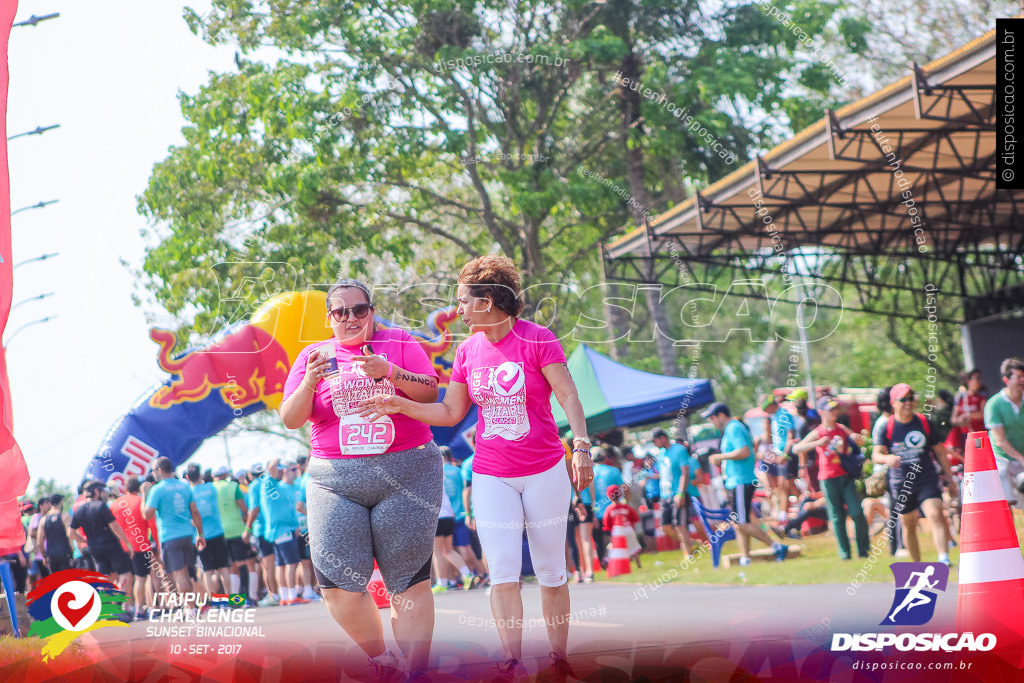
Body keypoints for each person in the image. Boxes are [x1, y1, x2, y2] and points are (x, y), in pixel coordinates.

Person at [358, 255, 593, 680]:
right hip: (490, 474)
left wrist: (581, 446)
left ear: (488, 300)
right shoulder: (467, 350)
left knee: (551, 571)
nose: (459, 310)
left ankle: (559, 658)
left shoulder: (538, 339)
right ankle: (513, 660)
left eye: (464, 301)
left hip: (545, 471)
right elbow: (449, 412)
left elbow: (569, 396)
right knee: (502, 570)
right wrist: (400, 402)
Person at [280, 277, 443, 679]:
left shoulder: (399, 341)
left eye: (359, 309)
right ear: (329, 317)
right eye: (341, 311)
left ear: (372, 311)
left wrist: (390, 371)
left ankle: (415, 673)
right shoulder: (313, 356)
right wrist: (310, 381)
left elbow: (430, 392)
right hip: (335, 480)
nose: (350, 318)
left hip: (407, 472)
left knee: (408, 581)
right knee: (336, 584)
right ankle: (382, 659)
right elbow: (290, 418)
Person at [872, 383, 958, 565]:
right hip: (901, 482)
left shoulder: (923, 422)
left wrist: (950, 477)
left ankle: (943, 558)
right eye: (903, 399)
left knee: (935, 513)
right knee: (909, 524)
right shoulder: (885, 426)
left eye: (911, 398)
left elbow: (940, 451)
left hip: (925, 476)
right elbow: (876, 454)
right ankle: (917, 564)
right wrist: (887, 459)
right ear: (893, 402)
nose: (908, 403)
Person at [705, 402, 789, 565]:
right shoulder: (730, 429)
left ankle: (777, 547)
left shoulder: (734, 428)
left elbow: (744, 451)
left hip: (741, 480)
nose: (712, 422)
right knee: (738, 523)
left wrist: (720, 457)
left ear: (721, 415)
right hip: (735, 481)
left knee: (741, 522)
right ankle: (745, 558)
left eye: (713, 418)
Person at [792, 397, 870, 560]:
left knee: (856, 512)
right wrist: (818, 443)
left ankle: (863, 550)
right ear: (821, 412)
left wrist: (857, 438)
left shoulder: (841, 428)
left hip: (845, 476)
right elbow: (797, 448)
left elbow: (858, 439)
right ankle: (845, 553)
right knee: (836, 516)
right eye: (830, 409)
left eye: (835, 409)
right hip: (828, 478)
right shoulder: (818, 431)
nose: (834, 412)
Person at [143, 457, 207, 595]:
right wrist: (200, 534)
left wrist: (144, 496)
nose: (153, 473)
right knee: (186, 573)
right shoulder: (184, 485)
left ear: (159, 470)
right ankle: (192, 607)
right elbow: (195, 512)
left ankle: (189, 608)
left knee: (179, 576)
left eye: (153, 471)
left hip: (170, 537)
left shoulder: (157, 489)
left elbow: (147, 515)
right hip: (187, 535)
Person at [69, 481, 134, 592]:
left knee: (104, 577)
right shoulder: (101, 506)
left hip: (94, 548)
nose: (105, 494)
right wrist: (128, 544)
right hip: (111, 546)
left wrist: (84, 540)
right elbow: (115, 527)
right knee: (126, 575)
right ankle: (116, 603)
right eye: (103, 491)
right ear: (96, 492)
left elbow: (71, 534)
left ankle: (104, 605)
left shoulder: (79, 511)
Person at [112, 476, 160, 620]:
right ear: (139, 488)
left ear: (125, 489)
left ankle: (124, 608)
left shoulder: (115, 504)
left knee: (125, 578)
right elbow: (152, 525)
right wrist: (157, 543)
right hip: (140, 545)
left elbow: (112, 525)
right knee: (140, 579)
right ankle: (139, 610)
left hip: (122, 546)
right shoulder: (142, 502)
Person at [212, 466, 259, 605]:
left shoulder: (211, 488)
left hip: (219, 532)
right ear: (226, 474)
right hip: (237, 529)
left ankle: (235, 600)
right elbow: (244, 509)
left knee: (231, 567)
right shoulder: (233, 486)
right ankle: (250, 597)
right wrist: (247, 526)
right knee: (247, 563)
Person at [185, 464, 232, 598]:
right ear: (200, 475)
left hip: (201, 536)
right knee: (223, 569)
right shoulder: (211, 488)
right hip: (217, 532)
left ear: (187, 477)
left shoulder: (188, 493)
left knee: (208, 571)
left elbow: (191, 518)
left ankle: (215, 601)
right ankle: (230, 600)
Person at [984, 358, 1024, 515]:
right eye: (1019, 377)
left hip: (1021, 456)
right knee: (1006, 504)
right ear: (1006, 380)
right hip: (1003, 458)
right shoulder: (994, 405)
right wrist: (1021, 459)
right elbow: (999, 440)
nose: (1023, 380)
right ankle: (1009, 539)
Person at [652, 429, 695, 557]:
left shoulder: (679, 450)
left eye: (656, 440)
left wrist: (681, 492)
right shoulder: (661, 453)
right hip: (665, 495)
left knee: (680, 525)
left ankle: (689, 554)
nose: (656, 444)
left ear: (663, 437)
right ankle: (690, 543)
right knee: (665, 527)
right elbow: (663, 474)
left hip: (678, 492)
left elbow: (685, 472)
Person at [243, 464, 279, 606]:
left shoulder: (253, 486)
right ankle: (277, 592)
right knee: (276, 564)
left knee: (267, 566)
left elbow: (254, 509)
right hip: (272, 528)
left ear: (251, 475)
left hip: (261, 529)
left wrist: (247, 528)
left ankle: (272, 595)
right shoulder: (268, 483)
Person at [762, 394, 796, 519]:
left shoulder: (783, 414)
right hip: (779, 455)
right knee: (784, 486)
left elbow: (790, 435)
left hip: (786, 455)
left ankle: (788, 515)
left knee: (787, 486)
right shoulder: (775, 416)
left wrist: (785, 454)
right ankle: (784, 515)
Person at [591, 448, 623, 571]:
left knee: (599, 542)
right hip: (613, 512)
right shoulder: (614, 471)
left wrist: (593, 514)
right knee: (613, 539)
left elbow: (588, 496)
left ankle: (601, 562)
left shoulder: (589, 474)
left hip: (596, 513)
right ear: (605, 457)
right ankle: (610, 560)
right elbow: (622, 490)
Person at [948, 368, 988, 454]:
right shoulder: (961, 397)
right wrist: (961, 420)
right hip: (966, 435)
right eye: (976, 378)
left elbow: (984, 414)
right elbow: (953, 419)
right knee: (971, 458)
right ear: (968, 381)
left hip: (978, 435)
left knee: (980, 455)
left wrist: (968, 415)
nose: (978, 381)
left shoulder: (981, 396)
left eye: (979, 378)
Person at [601, 485, 642, 568]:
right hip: (629, 529)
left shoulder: (609, 509)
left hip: (618, 532)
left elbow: (606, 523)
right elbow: (635, 518)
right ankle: (638, 565)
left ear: (609, 496)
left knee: (615, 548)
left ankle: (609, 562)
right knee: (633, 548)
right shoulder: (626, 507)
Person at [38, 494, 74, 574]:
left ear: (50, 504)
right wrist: (72, 552)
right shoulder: (65, 516)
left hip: (51, 555)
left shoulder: (43, 520)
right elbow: (70, 535)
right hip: (65, 553)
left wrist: (44, 556)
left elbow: (39, 542)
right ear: (61, 502)